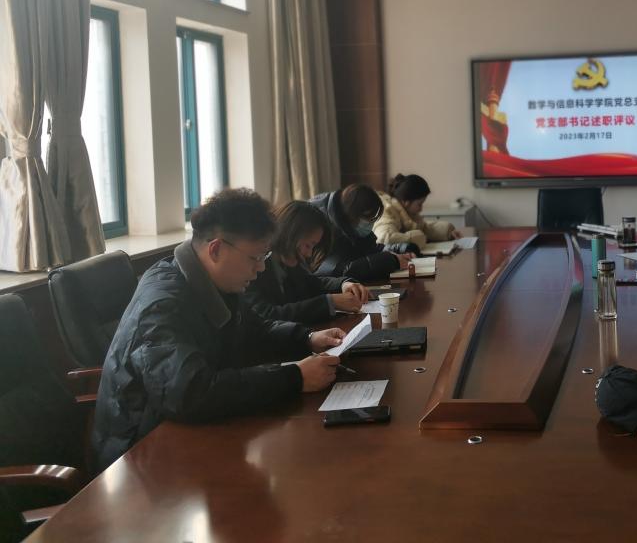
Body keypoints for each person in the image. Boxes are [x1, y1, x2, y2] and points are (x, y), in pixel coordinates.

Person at [93, 188, 345, 470]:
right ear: (215, 249)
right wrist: (294, 377)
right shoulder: (162, 305)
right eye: (255, 258)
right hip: (142, 456)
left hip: (191, 431)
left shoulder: (214, 281)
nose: (261, 268)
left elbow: (255, 330)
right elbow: (191, 392)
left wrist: (307, 338)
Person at [243, 201, 371, 325]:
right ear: (289, 234)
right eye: (308, 245)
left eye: (313, 247)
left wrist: (344, 284)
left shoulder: (287, 262)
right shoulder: (253, 266)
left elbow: (312, 283)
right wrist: (329, 302)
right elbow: (265, 316)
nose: (309, 254)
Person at [311, 184, 415, 283]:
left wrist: (399, 249)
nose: (371, 224)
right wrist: (392, 261)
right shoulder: (321, 223)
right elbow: (339, 270)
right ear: (352, 214)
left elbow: (370, 249)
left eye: (373, 219)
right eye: (368, 219)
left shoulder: (348, 219)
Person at [373, 173, 460, 248]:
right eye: (419, 204)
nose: (421, 209)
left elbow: (423, 228)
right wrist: (415, 239)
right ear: (406, 202)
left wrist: (448, 232)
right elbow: (384, 238)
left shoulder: (407, 213)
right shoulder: (387, 211)